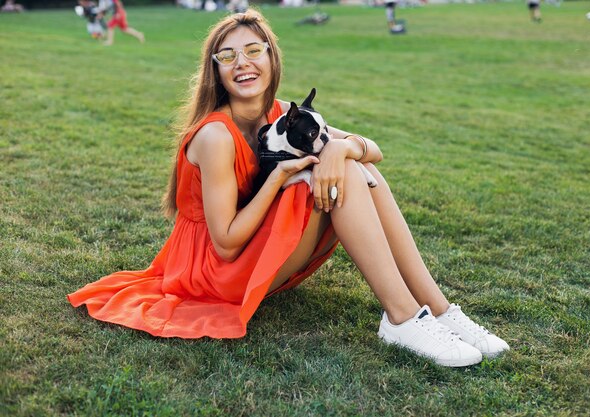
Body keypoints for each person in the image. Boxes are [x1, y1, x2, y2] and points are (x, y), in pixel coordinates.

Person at [67, 10, 509, 367]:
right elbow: (224, 245)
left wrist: (343, 149)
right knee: (343, 175)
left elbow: (375, 149)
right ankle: (400, 317)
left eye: (253, 50)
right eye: (228, 56)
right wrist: (281, 175)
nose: (242, 63)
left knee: (354, 168)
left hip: (258, 257)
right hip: (214, 273)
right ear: (215, 72)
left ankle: (439, 309)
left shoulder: (282, 116)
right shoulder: (215, 136)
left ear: (272, 58)